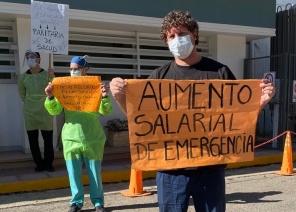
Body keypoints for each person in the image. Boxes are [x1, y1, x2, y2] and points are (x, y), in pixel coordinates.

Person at [110, 10, 275, 212]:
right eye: (171, 36)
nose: (177, 40)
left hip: (210, 169)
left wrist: (261, 102)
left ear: (194, 34)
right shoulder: (158, 77)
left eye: (181, 34)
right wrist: (119, 96)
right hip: (170, 172)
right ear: (166, 41)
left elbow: (237, 120)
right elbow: (141, 122)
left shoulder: (219, 72)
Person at [44, 56, 112, 212]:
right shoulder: (65, 87)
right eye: (71, 69)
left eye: (76, 68)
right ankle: (76, 202)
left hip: (93, 137)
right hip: (71, 137)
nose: (73, 71)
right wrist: (50, 96)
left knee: (95, 173)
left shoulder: (95, 87)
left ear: (85, 69)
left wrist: (104, 96)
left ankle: (98, 202)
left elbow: (105, 110)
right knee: (73, 173)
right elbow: (54, 110)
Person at [18, 49, 55, 172]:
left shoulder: (47, 75)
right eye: (28, 57)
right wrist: (30, 102)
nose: (30, 59)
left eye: (33, 57)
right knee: (33, 140)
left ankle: (49, 163)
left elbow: (54, 88)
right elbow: (22, 94)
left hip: (45, 110)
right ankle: (39, 164)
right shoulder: (23, 77)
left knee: (48, 139)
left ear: (39, 59)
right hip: (29, 112)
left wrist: (52, 76)